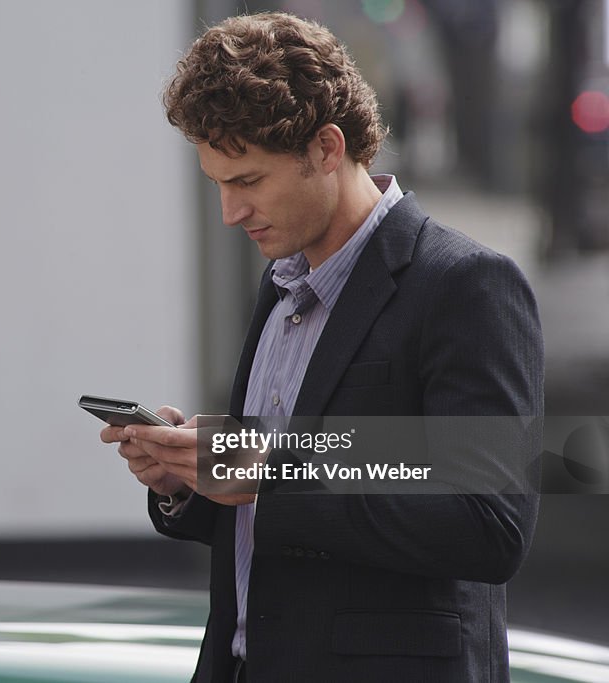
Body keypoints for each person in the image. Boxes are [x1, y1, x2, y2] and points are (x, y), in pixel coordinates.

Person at [98, 12, 543, 682]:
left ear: (328, 148)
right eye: (217, 183)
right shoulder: (280, 285)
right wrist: (189, 478)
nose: (230, 211)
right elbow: (277, 512)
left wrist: (270, 474)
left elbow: (489, 524)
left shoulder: (467, 285)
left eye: (247, 181)